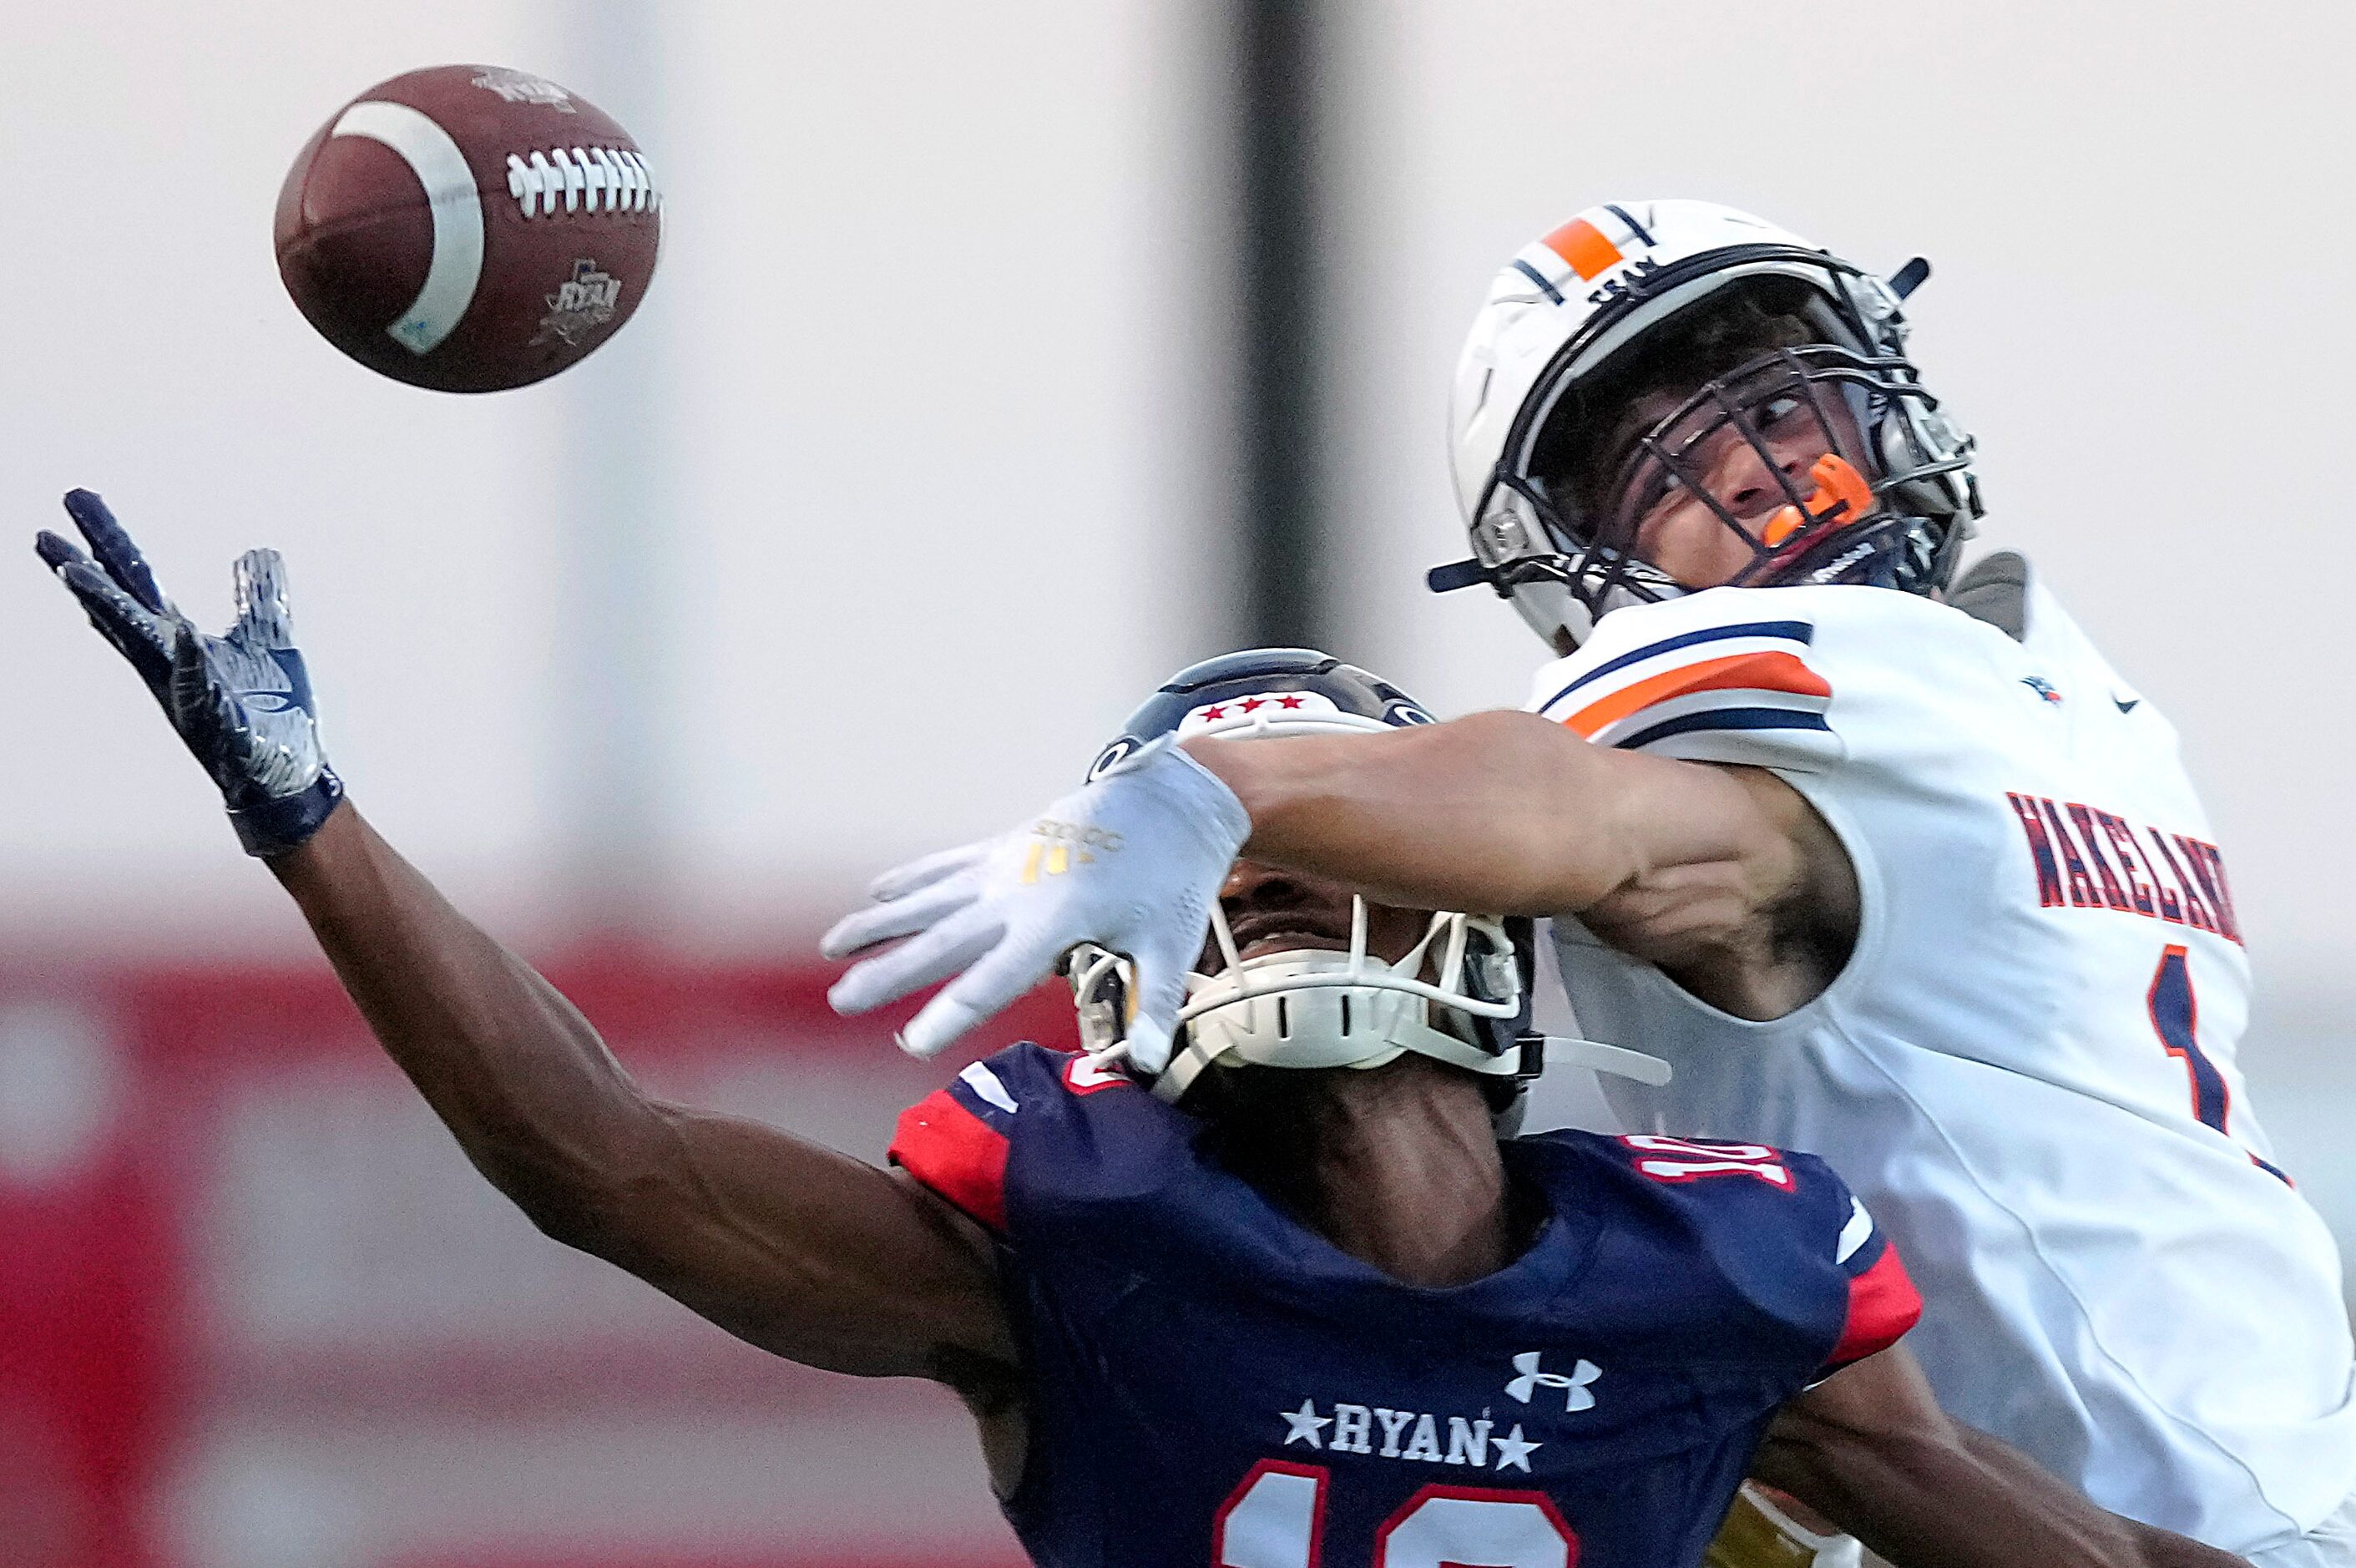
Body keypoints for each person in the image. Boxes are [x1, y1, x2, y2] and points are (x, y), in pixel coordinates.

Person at [24, 530, 2240, 1568]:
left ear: (1496, 937)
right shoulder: (1082, 1251)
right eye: (1213, 867)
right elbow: (595, 1153)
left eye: (1297, 846)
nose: (1257, 894)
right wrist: (308, 821)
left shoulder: (1720, 1288)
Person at [817, 202, 2356, 1567]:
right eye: (1651, 454)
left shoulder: (1974, 689)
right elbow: (1587, 810)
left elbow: (1570, 807)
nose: (1753, 464)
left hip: (2155, 1494)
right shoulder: (2063, 709)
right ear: (1573, 555)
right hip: (2185, 1489)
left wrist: (1217, 786)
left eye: (1780, 393)